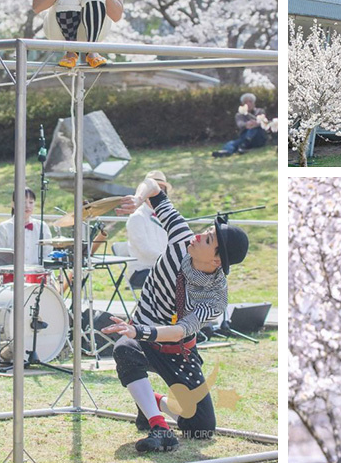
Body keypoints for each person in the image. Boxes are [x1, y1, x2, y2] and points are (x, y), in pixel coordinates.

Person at [103, 178, 249, 452]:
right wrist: (138, 199)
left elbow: (182, 330)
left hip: (178, 348)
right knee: (125, 348)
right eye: (204, 232)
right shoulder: (182, 237)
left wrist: (141, 331)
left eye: (206, 239)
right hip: (141, 336)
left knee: (201, 428)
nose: (196, 236)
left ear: (216, 260)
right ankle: (159, 426)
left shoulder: (215, 297)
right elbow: (152, 186)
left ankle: (152, 404)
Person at [125, 171, 171, 287]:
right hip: (141, 271)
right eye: (153, 191)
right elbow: (145, 251)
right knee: (174, 279)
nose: (156, 195)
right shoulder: (137, 217)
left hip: (162, 268)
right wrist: (168, 261)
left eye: (161, 191)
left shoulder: (166, 216)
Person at [0, 188, 54, 267]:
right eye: (23, 202)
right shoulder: (3, 228)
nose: (27, 206)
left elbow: (48, 253)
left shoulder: (42, 227)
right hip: (11, 274)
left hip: (37, 274)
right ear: (13, 204)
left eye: (31, 202)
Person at [212, 93, 268, 157]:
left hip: (258, 138)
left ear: (254, 103)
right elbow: (240, 124)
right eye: (246, 102)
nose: (248, 104)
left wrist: (254, 123)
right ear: (242, 104)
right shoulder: (239, 115)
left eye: (250, 101)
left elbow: (262, 122)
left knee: (254, 129)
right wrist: (246, 124)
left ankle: (244, 145)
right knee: (232, 143)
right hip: (244, 136)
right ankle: (226, 152)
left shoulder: (260, 111)